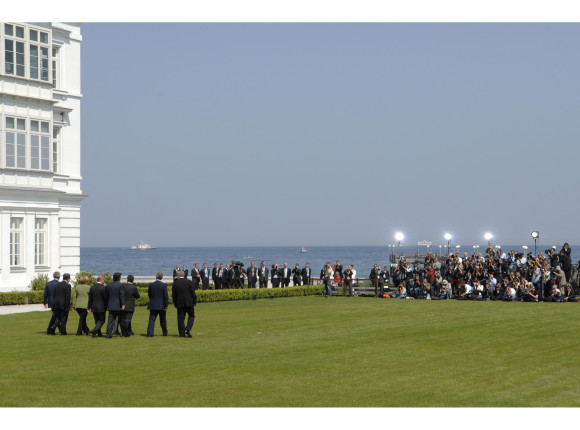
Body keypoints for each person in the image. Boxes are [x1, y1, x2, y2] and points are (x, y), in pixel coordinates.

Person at [172, 270, 197, 337]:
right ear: (183, 275)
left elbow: (174, 295)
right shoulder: (189, 282)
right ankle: (188, 329)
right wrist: (194, 301)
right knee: (191, 316)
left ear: (178, 276)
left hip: (180, 303)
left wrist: (175, 304)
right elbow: (193, 293)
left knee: (180, 318)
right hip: (189, 303)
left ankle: (182, 333)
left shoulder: (175, 284)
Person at [147, 272, 168, 337]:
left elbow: (149, 294)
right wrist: (166, 305)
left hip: (153, 304)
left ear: (156, 277)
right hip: (161, 305)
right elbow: (166, 296)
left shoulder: (151, 285)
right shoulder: (164, 285)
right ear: (162, 277)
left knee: (151, 320)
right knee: (163, 320)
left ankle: (150, 333)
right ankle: (164, 333)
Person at [105, 272, 125, 338]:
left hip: (111, 305)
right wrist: (123, 304)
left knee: (110, 320)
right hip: (118, 305)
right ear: (119, 278)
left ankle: (108, 334)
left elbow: (106, 296)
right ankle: (123, 333)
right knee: (121, 320)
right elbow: (121, 295)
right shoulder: (121, 285)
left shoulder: (109, 285)